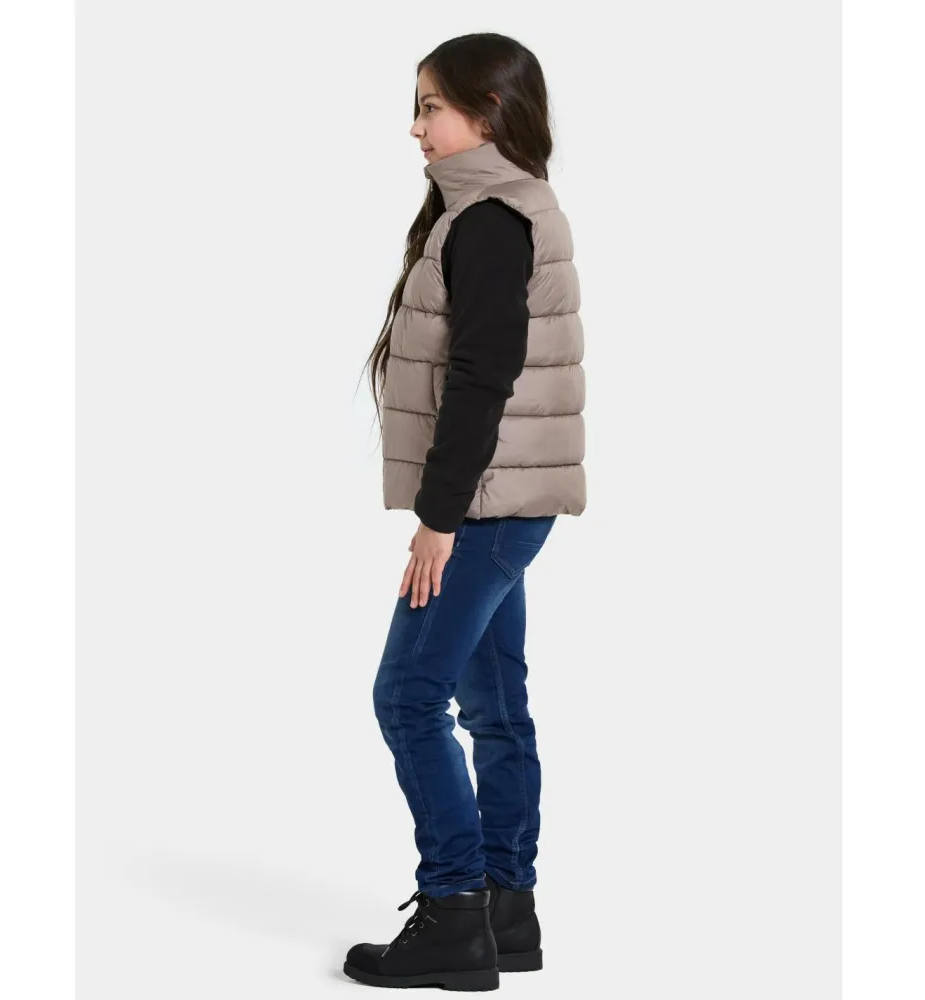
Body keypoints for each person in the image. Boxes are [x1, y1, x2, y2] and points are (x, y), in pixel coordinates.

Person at [345, 31, 586, 992]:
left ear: (486, 114)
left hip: (484, 508)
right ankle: (506, 912)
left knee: (407, 698)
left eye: (430, 106)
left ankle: (454, 913)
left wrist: (438, 519)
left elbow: (483, 380)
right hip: (508, 502)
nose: (415, 127)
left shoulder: (489, 220)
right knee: (493, 705)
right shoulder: (502, 206)